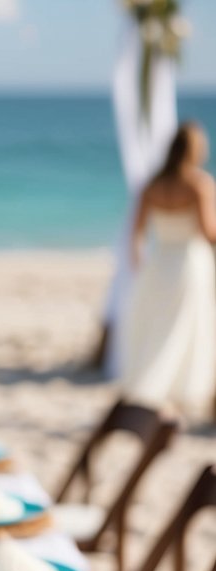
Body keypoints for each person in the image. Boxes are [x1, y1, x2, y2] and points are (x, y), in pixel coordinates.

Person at [120, 121, 216, 423]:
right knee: (187, 328)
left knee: (159, 327)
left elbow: (135, 232)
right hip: (189, 262)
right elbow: (208, 231)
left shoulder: (152, 184)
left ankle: (151, 392)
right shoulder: (198, 184)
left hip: (159, 263)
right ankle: (178, 393)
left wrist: (139, 264)